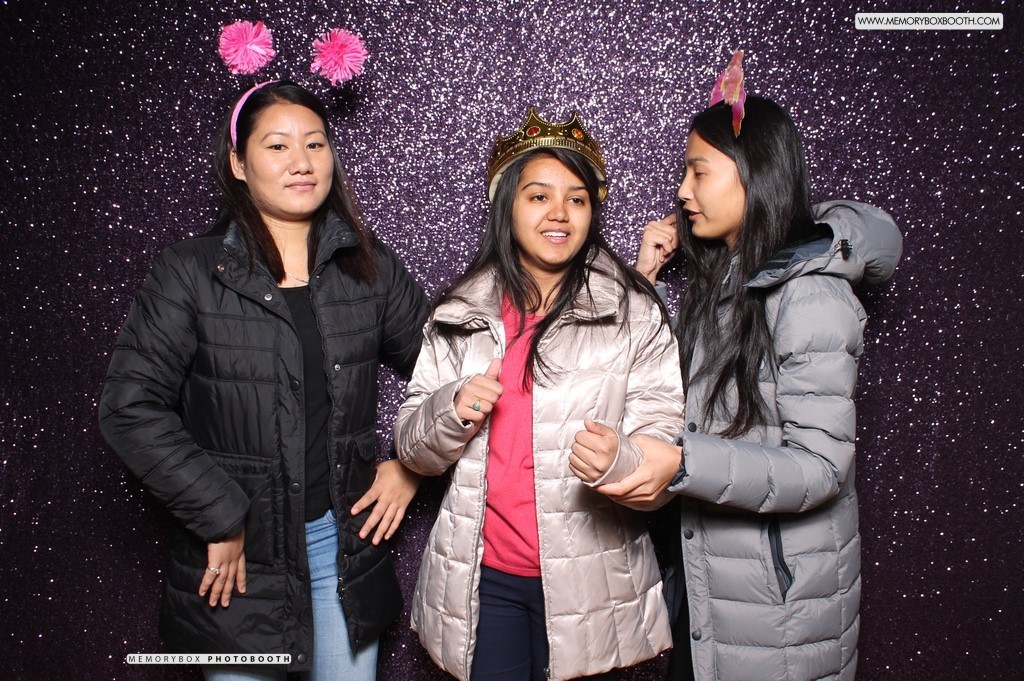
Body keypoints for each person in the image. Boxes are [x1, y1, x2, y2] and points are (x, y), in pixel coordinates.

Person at [98, 80, 427, 680]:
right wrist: (221, 514)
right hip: (238, 560)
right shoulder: (189, 271)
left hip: (341, 553)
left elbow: (447, 370)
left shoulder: (369, 266)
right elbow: (130, 408)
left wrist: (413, 464)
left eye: (316, 144)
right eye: (277, 146)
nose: (302, 162)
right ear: (238, 163)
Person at [574, 86, 903, 680]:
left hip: (780, 616)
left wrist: (682, 464)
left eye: (699, 172)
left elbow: (821, 469)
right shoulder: (727, 280)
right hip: (712, 585)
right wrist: (646, 276)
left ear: (754, 173)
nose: (682, 191)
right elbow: (673, 393)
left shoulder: (809, 293)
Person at [393, 108, 686, 680]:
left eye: (577, 199)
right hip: (484, 581)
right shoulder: (459, 311)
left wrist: (620, 459)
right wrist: (450, 410)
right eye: (539, 197)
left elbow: (663, 437)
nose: (559, 213)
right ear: (508, 206)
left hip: (591, 582)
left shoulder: (635, 311)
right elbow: (411, 448)